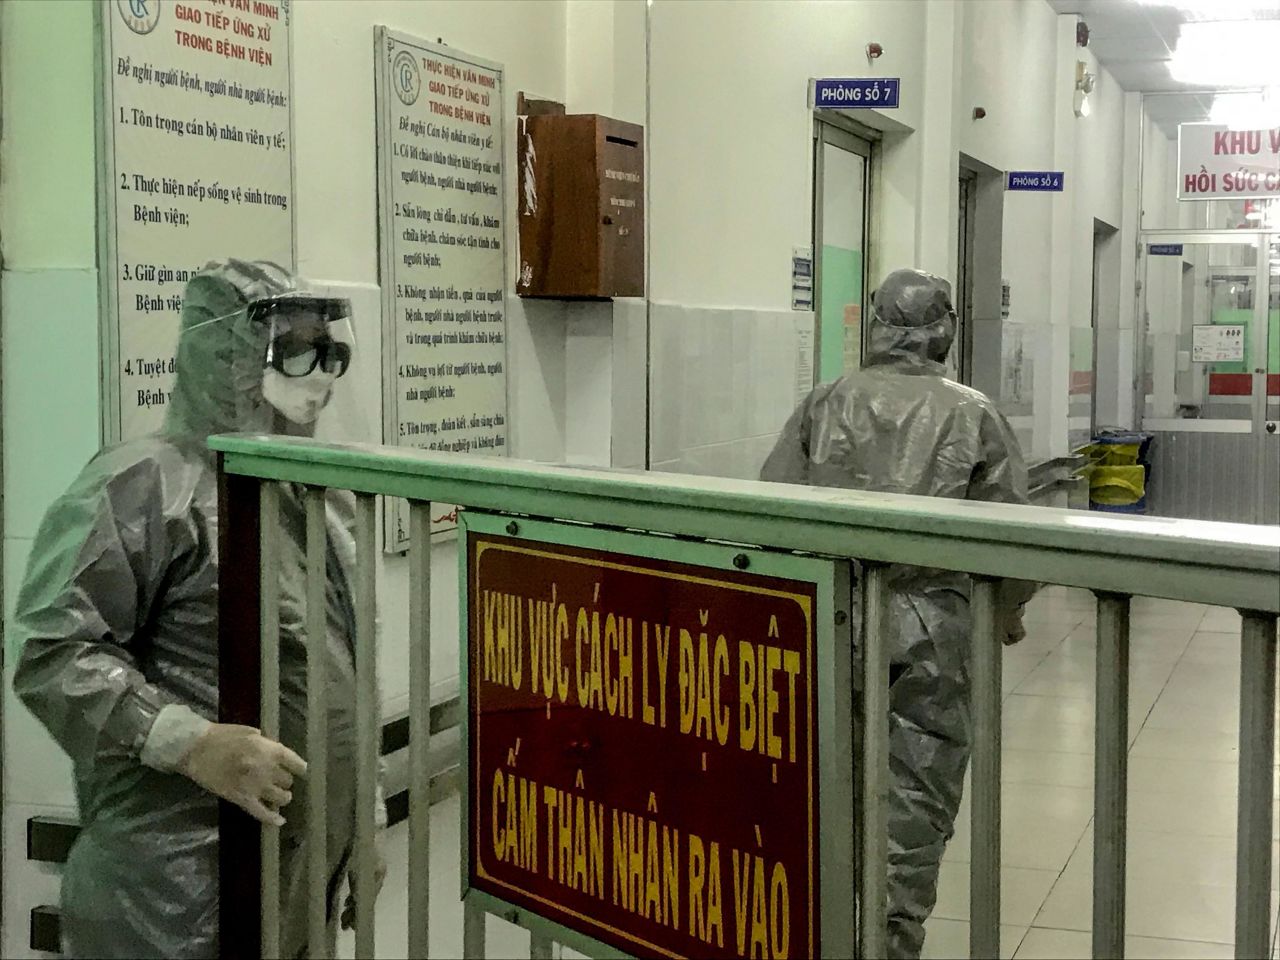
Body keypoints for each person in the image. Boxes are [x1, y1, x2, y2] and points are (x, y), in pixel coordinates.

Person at [12, 259, 383, 959]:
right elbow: (53, 653)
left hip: (292, 877)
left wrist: (360, 822)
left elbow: (343, 674)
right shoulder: (144, 485)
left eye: (332, 351)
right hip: (170, 893)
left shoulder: (315, 495)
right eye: (297, 348)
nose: (323, 375)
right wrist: (190, 742)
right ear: (231, 351)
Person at [760, 267, 1032, 959]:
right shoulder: (973, 413)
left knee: (822, 774)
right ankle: (890, 937)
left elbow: (772, 511)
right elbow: (1015, 540)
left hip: (829, 617)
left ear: (877, 325)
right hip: (935, 630)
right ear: (944, 328)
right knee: (917, 789)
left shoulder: (826, 403)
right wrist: (1004, 613)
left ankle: (815, 927)